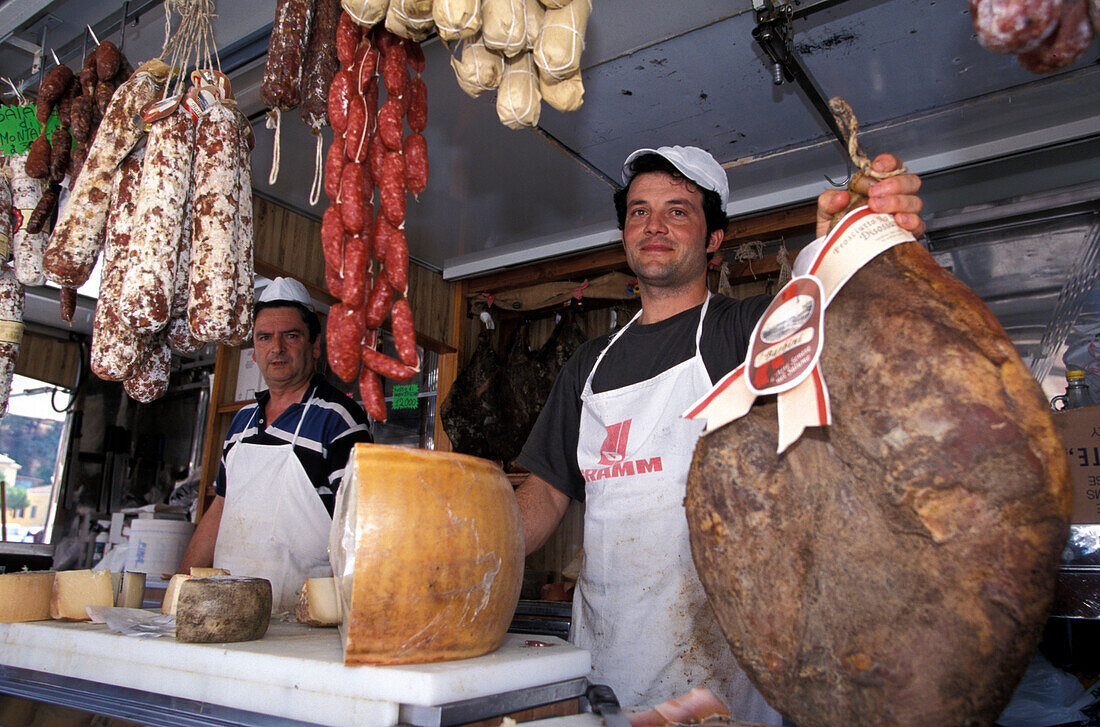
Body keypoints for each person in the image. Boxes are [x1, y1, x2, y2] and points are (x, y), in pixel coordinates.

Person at [514, 146, 925, 722]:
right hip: (603, 661)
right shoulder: (589, 364)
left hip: (719, 676)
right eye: (638, 212)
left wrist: (851, 255)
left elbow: (849, 330)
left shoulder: (743, 330)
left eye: (678, 211)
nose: (653, 226)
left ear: (713, 240)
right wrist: (475, 546)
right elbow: (548, 490)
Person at [178, 277, 373, 611]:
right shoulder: (240, 423)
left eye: (291, 336)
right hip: (226, 608)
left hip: (301, 618)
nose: (277, 348)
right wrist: (180, 589)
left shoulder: (340, 418)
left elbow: (359, 522)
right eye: (265, 337)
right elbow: (220, 509)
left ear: (314, 346)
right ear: (254, 351)